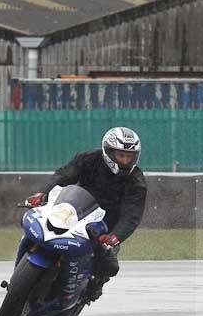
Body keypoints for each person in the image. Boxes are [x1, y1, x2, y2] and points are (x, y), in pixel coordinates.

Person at [25, 127, 147, 301]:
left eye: (129, 157)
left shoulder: (136, 181)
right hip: (74, 207)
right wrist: (42, 193)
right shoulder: (89, 159)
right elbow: (64, 175)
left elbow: (132, 215)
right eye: (121, 155)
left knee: (110, 265)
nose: (125, 160)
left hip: (105, 225)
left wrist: (115, 236)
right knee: (42, 219)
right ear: (109, 151)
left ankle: (94, 286)